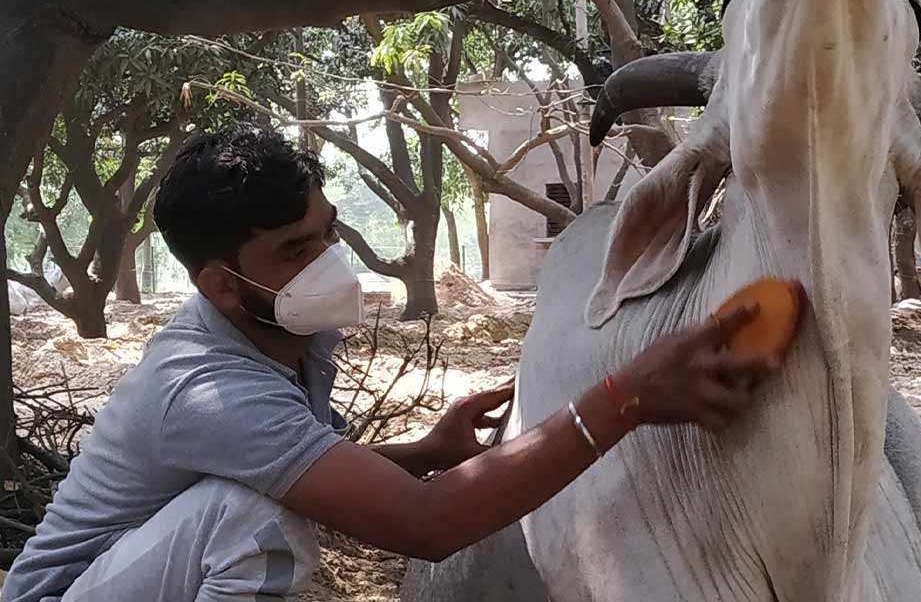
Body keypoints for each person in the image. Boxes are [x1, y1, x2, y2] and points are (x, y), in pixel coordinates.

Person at [2, 124, 779, 602]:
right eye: (295, 251)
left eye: (327, 232)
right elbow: (426, 527)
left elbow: (291, 465)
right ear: (220, 286)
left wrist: (423, 453)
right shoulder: (202, 387)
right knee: (249, 519)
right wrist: (627, 396)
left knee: (253, 506)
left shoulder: (291, 335)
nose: (329, 263)